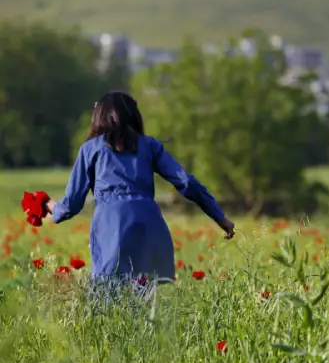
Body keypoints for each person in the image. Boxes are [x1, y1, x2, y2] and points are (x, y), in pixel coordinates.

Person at [45, 91, 235, 286]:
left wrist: (50, 206)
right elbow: (186, 181)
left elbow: (72, 204)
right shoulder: (150, 145)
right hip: (148, 221)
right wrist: (219, 217)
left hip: (112, 223)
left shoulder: (91, 149)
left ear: (99, 116)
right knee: (143, 290)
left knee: (108, 292)